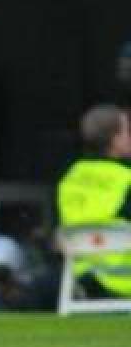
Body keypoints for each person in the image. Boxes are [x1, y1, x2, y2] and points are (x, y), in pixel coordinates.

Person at [56, 104, 131, 300]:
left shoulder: (71, 175)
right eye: (128, 131)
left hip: (82, 273)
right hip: (123, 278)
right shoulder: (127, 178)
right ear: (115, 140)